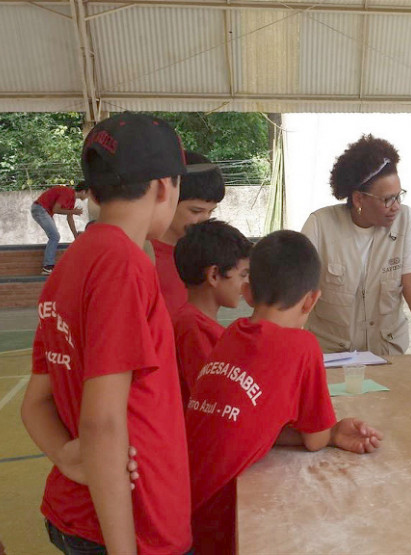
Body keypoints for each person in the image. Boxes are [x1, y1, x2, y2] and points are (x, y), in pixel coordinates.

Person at [20, 113, 192, 553]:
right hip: (129, 525)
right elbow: (101, 422)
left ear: (93, 191)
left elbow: (35, 404)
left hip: (78, 513)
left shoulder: (72, 263)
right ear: (163, 186)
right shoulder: (124, 265)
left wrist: (64, 455)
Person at [185, 230, 383, 555]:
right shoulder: (302, 346)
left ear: (247, 293)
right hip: (218, 518)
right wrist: (327, 433)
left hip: (183, 504)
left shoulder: (232, 333)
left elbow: (251, 423)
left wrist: (331, 433)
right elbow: (314, 440)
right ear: (312, 300)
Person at [301, 134, 411, 355]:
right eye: (387, 199)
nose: (396, 206)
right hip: (331, 356)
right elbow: (297, 291)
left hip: (386, 353)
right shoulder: (320, 225)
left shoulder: (406, 220)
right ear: (359, 199)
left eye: (398, 196)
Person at [173, 219, 252, 404]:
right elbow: (213, 397)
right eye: (242, 275)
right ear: (214, 275)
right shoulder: (193, 327)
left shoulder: (193, 321)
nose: (246, 283)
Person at [151, 152, 225, 316]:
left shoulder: (208, 253)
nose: (204, 220)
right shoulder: (146, 256)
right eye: (196, 211)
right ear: (167, 199)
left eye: (211, 211)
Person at [30, 182, 88, 274]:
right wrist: (73, 211)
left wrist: (75, 236)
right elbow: (56, 209)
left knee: (54, 236)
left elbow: (70, 218)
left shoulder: (72, 199)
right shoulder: (67, 193)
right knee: (55, 236)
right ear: (84, 191)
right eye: (88, 194)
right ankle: (48, 266)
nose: (88, 197)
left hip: (44, 211)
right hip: (40, 209)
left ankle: (48, 266)